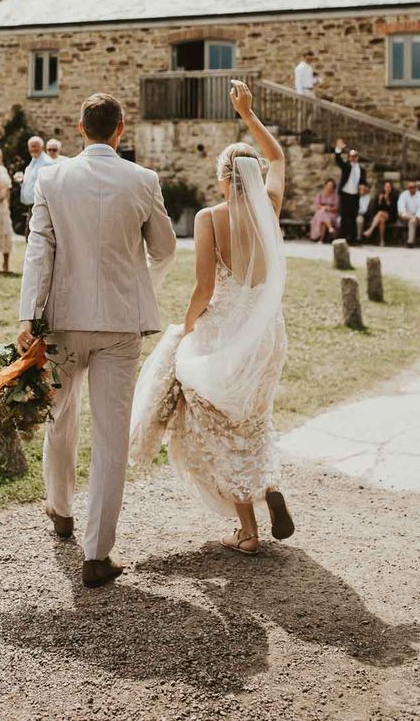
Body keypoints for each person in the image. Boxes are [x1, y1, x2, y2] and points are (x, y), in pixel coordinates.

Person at [17, 92, 177, 588]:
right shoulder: (143, 180)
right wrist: (141, 286)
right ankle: (96, 553)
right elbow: (165, 247)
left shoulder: (53, 176)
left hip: (62, 319)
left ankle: (61, 509)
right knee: (111, 436)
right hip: (119, 324)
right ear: (120, 130)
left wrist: (28, 314)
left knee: (60, 417)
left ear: (81, 128)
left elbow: (39, 250)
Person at [130, 80, 294, 556]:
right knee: (254, 418)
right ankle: (269, 486)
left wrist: (186, 327)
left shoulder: (209, 218)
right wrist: (248, 115)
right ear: (253, 175)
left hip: (224, 331)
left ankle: (247, 529)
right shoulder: (271, 208)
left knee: (219, 427)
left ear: (223, 178)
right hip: (265, 335)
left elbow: (204, 287)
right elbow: (279, 158)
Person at [334, 138, 367, 245]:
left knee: (353, 217)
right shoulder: (346, 166)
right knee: (344, 217)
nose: (353, 158)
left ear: (357, 157)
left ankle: (353, 239)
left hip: (355, 195)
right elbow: (338, 160)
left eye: (355, 156)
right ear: (349, 157)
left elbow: (363, 182)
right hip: (345, 194)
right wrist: (338, 149)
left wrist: (363, 187)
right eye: (351, 156)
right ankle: (342, 239)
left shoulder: (362, 170)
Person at [20, 136, 53, 238]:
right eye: (31, 146)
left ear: (42, 147)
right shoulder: (32, 163)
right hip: (31, 205)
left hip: (40, 204)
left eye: (36, 146)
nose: (33, 149)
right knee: (29, 234)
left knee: (34, 235)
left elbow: (49, 184)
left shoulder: (46, 162)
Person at [363, 180, 397, 246]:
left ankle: (370, 230)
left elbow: (393, 210)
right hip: (379, 217)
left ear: (391, 188)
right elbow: (375, 209)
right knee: (381, 219)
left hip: (391, 216)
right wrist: (379, 201)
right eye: (386, 187)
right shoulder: (379, 195)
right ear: (384, 188)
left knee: (380, 213)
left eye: (389, 187)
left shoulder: (394, 196)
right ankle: (382, 241)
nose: (387, 188)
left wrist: (387, 201)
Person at [397, 180, 420, 248]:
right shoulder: (403, 195)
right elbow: (401, 208)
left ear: (416, 187)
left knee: (412, 221)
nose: (411, 189)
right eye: (410, 187)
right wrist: (411, 217)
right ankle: (410, 241)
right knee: (408, 217)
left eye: (413, 187)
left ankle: (410, 242)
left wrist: (416, 217)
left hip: (418, 218)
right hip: (405, 216)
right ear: (408, 187)